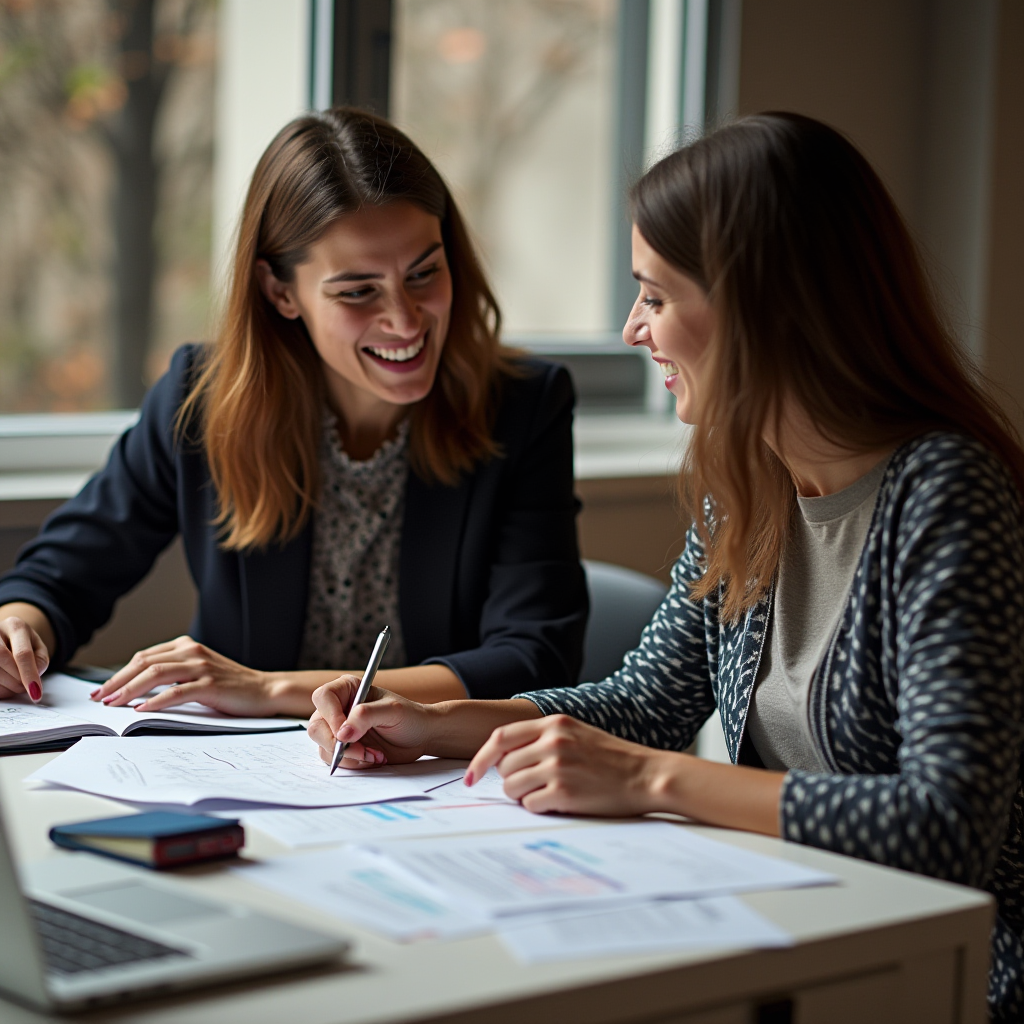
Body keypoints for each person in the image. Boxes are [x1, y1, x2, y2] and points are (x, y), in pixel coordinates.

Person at [306, 113, 1024, 1021]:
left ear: (761, 307)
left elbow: (945, 830)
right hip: (803, 927)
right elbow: (646, 704)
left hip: (952, 973)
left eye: (653, 295)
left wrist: (647, 780)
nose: (632, 327)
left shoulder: (944, 489)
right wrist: (434, 724)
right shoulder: (749, 480)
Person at [0, 108, 588, 714]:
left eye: (425, 273)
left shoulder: (524, 406)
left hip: (437, 778)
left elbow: (536, 654)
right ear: (281, 291)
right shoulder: (200, 398)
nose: (406, 320)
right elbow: (67, 570)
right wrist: (19, 625)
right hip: (244, 771)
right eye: (358, 291)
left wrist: (271, 689)